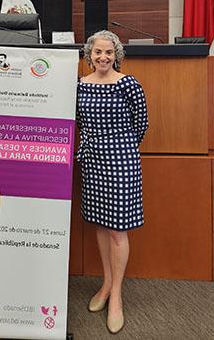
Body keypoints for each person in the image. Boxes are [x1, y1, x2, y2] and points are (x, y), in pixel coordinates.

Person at [76, 30, 148, 334]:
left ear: (116, 54)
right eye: (97, 52)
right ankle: (105, 284)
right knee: (101, 225)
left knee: (119, 230)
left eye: (108, 52)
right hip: (92, 163)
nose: (103, 57)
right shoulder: (79, 86)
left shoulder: (128, 84)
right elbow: (76, 122)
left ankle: (116, 294)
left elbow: (140, 125)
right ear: (89, 54)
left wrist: (120, 147)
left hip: (122, 161)